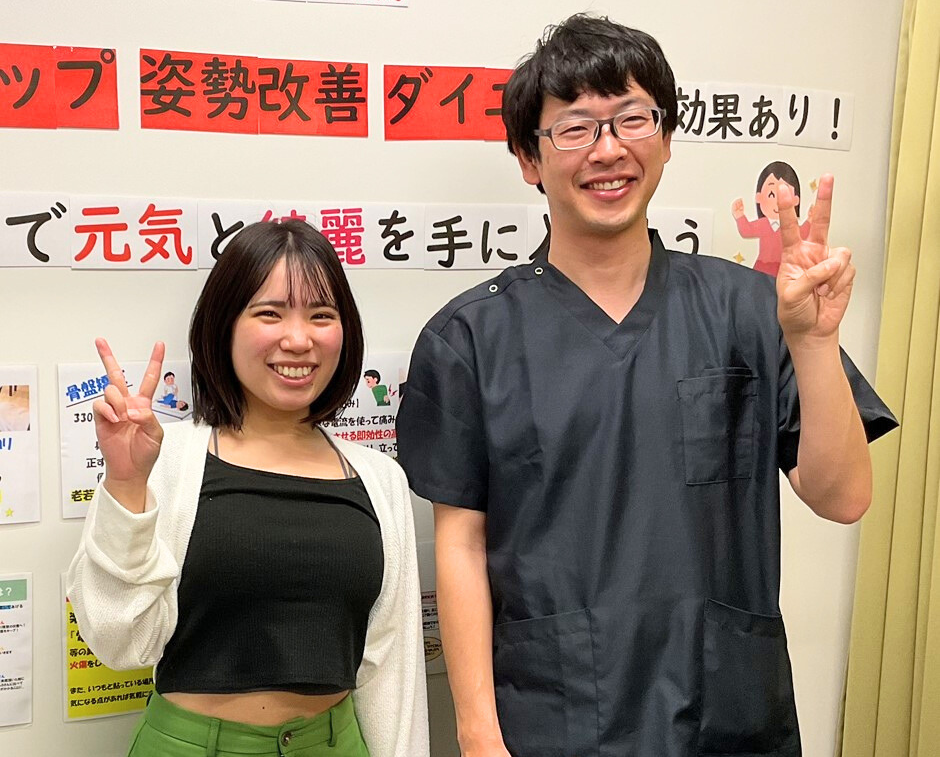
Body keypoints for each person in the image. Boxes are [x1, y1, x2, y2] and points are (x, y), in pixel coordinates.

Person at [396, 14, 897, 757]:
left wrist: (815, 342)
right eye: (575, 128)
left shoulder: (752, 309)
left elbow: (843, 496)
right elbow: (461, 544)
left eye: (633, 119)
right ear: (529, 159)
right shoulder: (471, 337)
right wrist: (478, 735)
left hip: (725, 717)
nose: (609, 149)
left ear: (665, 139)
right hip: (556, 720)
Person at [67, 220, 428, 757]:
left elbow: (392, 671)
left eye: (321, 315)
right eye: (270, 313)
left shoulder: (379, 479)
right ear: (224, 326)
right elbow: (118, 642)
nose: (299, 339)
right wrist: (126, 482)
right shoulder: (166, 460)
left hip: (336, 743)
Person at [732, 160, 812, 277]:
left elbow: (802, 234)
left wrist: (810, 220)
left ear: (796, 200)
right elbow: (746, 230)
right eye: (771, 195)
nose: (777, 203)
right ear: (759, 197)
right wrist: (739, 216)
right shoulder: (763, 224)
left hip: (785, 268)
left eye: (784, 196)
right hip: (763, 267)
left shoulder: (791, 226)